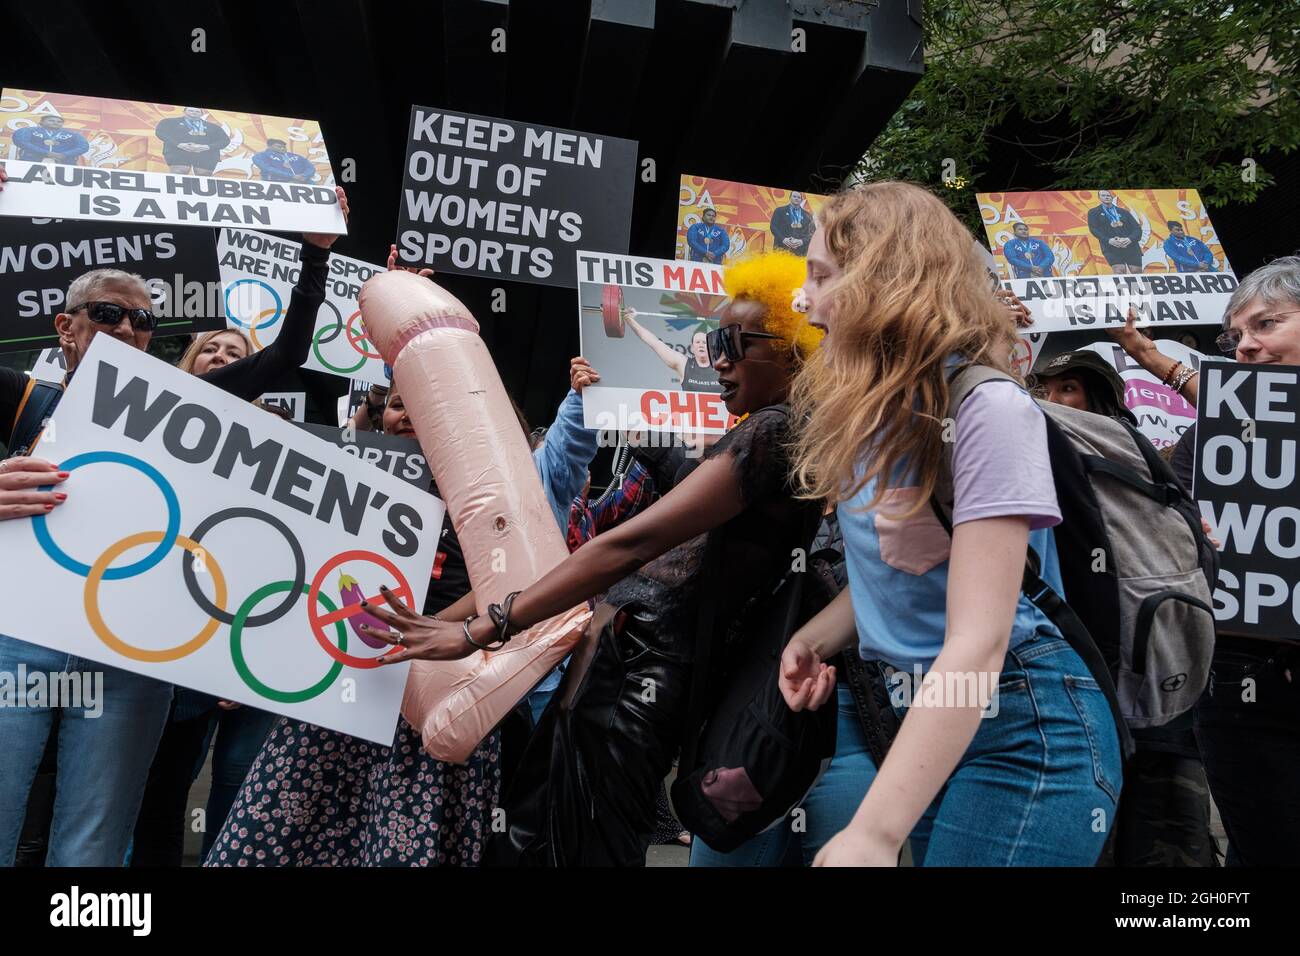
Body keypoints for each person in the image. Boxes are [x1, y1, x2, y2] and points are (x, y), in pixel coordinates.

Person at [359, 251, 823, 866]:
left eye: (736, 342)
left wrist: (482, 628)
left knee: (567, 849)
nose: (720, 359)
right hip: (625, 673)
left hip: (634, 683)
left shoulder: (776, 431)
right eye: (716, 341)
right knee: (547, 843)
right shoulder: (770, 430)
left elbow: (626, 545)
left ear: (794, 349)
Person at [0, 177, 348, 867]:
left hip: (127, 654)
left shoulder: (181, 406)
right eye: (108, 313)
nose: (129, 329)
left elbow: (282, 358)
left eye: (144, 321)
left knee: (93, 848)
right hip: (19, 644)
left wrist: (316, 256)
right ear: (65, 327)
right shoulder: (23, 399)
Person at [780, 181, 1122, 867]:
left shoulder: (988, 409)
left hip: (1024, 723)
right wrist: (817, 637)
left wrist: (874, 834)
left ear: (886, 279)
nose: (801, 299)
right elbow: (912, 565)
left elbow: (978, 641)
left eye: (820, 276)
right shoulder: (875, 416)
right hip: (932, 723)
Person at [1109, 255, 1300, 866]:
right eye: (1235, 335)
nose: (1245, 347)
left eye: (1266, 325)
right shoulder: (1218, 430)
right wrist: (1191, 531)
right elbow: (1164, 520)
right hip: (1240, 677)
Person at [1032, 348, 1217, 867]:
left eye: (1068, 389)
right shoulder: (1033, 450)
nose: (1054, 401)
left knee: (1170, 845)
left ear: (1101, 396)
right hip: (1089, 679)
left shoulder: (1133, 449)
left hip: (1158, 676)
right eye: (1046, 390)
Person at [623, 311, 723, 394]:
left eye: (704, 342)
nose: (701, 345)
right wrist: (630, 320)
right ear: (692, 348)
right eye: (697, 342)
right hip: (692, 417)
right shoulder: (683, 364)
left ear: (710, 347)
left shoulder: (722, 366)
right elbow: (655, 343)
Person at [155, 106, 230, 176]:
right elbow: (160, 133)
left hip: (205, 154)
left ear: (201, 114)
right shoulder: (169, 122)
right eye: (191, 110)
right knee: (180, 170)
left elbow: (225, 140)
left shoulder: (213, 127)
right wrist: (178, 144)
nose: (194, 112)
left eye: (197, 111)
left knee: (204, 173)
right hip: (178, 151)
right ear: (184, 112)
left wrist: (207, 147)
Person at [1087, 189, 1144, 274]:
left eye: (1108, 195)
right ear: (1099, 197)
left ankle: (1140, 287)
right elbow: (1093, 229)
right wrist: (1108, 240)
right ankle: (1121, 287)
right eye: (1103, 195)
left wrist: (1129, 239)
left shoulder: (1124, 212)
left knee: (1136, 271)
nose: (1106, 197)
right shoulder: (1094, 212)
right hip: (1111, 247)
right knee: (1119, 270)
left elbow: (1137, 228)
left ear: (1112, 197)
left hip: (1130, 245)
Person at [12, 116, 89, 164]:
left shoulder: (73, 134)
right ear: (41, 122)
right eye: (51, 120)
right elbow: (21, 141)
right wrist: (46, 153)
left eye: (59, 122)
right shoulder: (28, 130)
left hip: (64, 164)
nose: (55, 123)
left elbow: (83, 146)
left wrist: (65, 154)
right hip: (30, 161)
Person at [770, 191, 817, 257]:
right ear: (790, 198)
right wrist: (783, 239)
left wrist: (802, 241)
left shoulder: (807, 215)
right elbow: (773, 227)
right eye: (794, 196)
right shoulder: (779, 211)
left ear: (801, 200)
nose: (796, 198)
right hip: (781, 249)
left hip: (800, 252)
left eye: (799, 197)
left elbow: (813, 233)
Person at [251, 139, 317, 183]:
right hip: (276, 182)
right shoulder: (260, 155)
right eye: (279, 146)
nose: (282, 148)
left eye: (284, 147)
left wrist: (304, 175)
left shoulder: (295, 156)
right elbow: (268, 169)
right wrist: (291, 176)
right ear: (269, 146)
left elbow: (310, 167)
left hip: (303, 181)